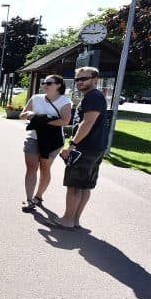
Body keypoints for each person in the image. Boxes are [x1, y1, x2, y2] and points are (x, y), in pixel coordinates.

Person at [51, 67, 108, 230]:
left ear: (95, 79)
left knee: (74, 185)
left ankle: (67, 220)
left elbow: (88, 122)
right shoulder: (94, 96)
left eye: (84, 79)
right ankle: (74, 220)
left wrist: (72, 145)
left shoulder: (93, 97)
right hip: (95, 147)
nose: (79, 82)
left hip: (85, 147)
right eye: (77, 79)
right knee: (85, 186)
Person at [20, 75, 72, 212]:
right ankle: (29, 200)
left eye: (49, 83)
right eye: (44, 82)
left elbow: (65, 121)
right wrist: (29, 114)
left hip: (52, 141)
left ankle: (38, 196)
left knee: (45, 168)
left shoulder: (65, 101)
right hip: (33, 137)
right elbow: (22, 115)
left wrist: (40, 119)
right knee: (31, 168)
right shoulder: (36, 98)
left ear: (58, 85)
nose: (45, 85)